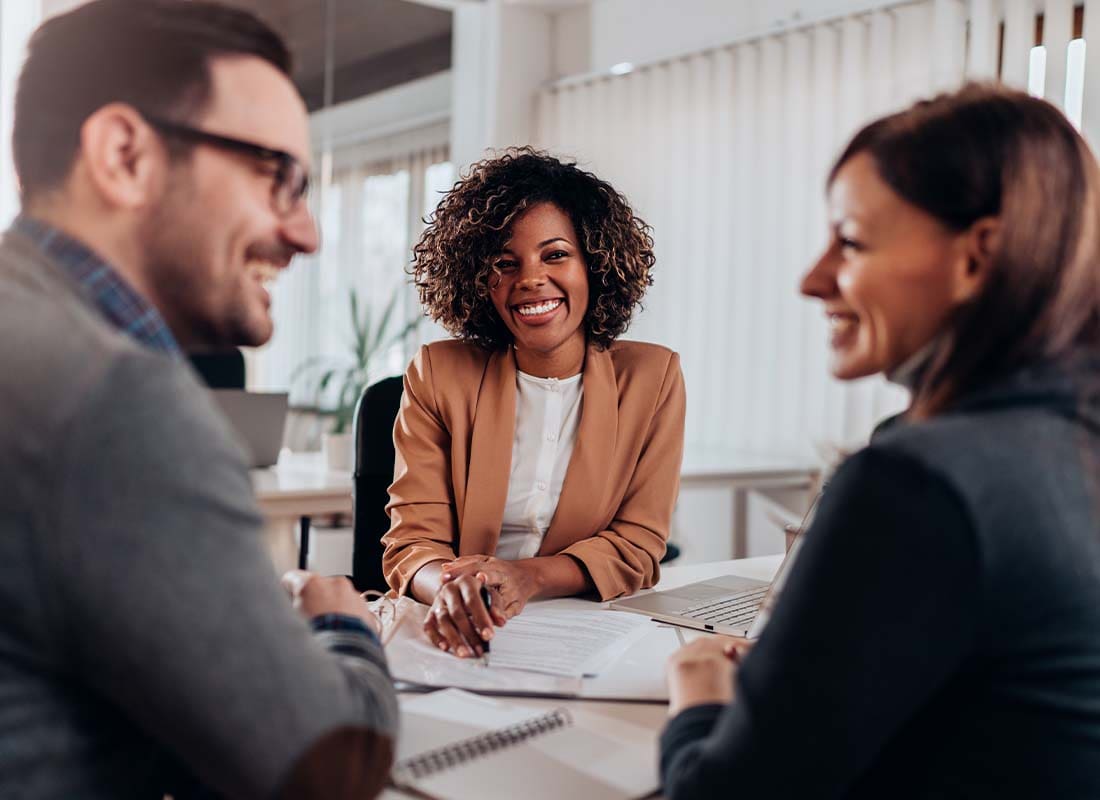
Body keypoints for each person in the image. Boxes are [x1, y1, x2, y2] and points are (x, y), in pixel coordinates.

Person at [0, 1, 397, 797]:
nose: (308, 232)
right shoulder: (113, 400)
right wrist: (343, 622)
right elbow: (330, 764)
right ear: (124, 155)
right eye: (276, 177)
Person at [660, 83, 1100, 798]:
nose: (812, 279)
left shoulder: (920, 482)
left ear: (978, 257)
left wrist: (698, 691)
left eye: (851, 241)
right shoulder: (1067, 446)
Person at [382, 148, 686, 658]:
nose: (529, 279)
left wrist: (525, 578)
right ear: (479, 280)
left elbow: (637, 545)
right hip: (453, 630)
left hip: (584, 632)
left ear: (595, 262)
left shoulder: (652, 378)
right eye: (505, 262)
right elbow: (413, 544)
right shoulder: (438, 374)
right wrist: (452, 590)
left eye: (555, 254)